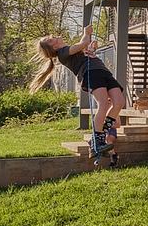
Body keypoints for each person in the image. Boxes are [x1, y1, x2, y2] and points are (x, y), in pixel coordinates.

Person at [31, 26, 125, 165]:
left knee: (119, 102)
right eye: (50, 39)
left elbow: (83, 46)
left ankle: (101, 134)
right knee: (104, 104)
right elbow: (83, 43)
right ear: (54, 46)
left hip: (102, 71)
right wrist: (86, 34)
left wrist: (90, 48)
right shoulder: (63, 53)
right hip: (91, 73)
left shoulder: (70, 50)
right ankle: (97, 139)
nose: (53, 36)